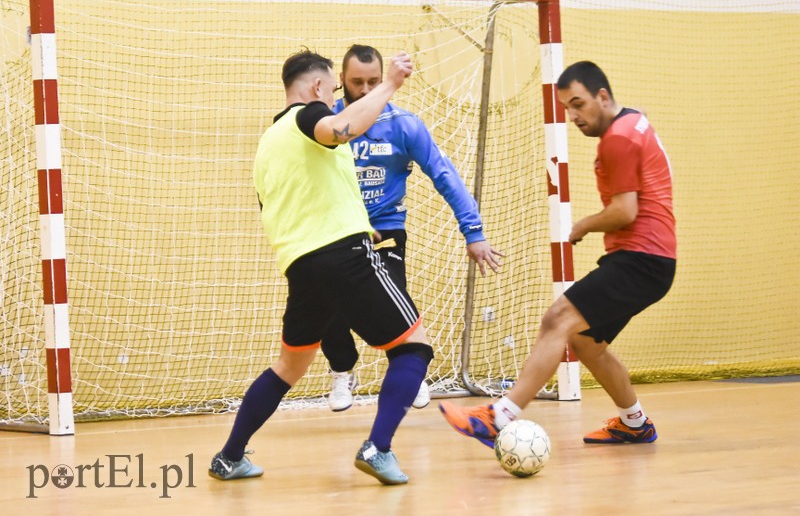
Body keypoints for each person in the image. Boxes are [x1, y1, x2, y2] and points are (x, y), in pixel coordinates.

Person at [209, 49, 434, 486]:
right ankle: (378, 447)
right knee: (414, 348)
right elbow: (335, 130)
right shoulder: (309, 115)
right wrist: (389, 85)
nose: (334, 99)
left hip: (301, 265)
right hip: (342, 255)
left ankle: (229, 456)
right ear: (316, 88)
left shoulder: (268, 143)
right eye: (333, 90)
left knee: (288, 367)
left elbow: (297, 200)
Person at [439, 61, 676, 447]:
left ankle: (498, 417)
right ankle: (635, 423)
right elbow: (640, 117)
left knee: (557, 320)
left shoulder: (618, 138)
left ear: (602, 96)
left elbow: (625, 212)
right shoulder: (632, 122)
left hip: (641, 258)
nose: (574, 117)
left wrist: (583, 225)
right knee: (585, 340)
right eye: (567, 108)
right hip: (653, 260)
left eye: (579, 104)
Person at [322, 44, 505, 412]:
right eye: (357, 82)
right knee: (328, 304)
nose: (366, 89)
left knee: (392, 303)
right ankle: (342, 371)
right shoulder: (326, 126)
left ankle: (410, 373)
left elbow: (444, 175)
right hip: (338, 231)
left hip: (386, 227)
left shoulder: (404, 125)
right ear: (341, 80)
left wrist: (474, 232)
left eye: (374, 81)